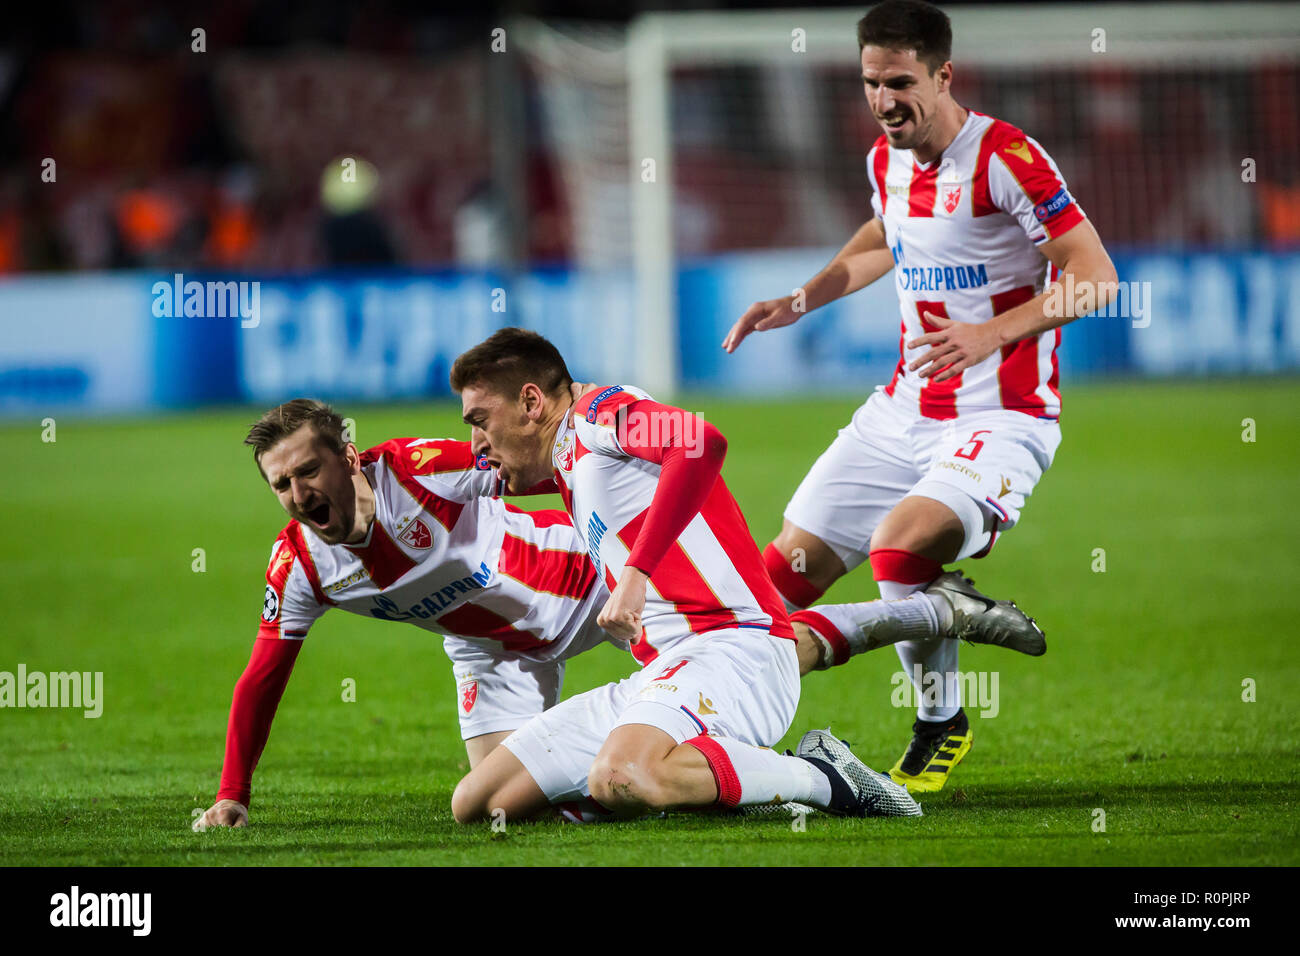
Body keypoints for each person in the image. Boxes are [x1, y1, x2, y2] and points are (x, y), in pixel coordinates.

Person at [722, 0, 1118, 793]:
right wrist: (797, 300)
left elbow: (1097, 279)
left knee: (902, 549)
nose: (882, 100)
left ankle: (941, 720)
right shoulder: (885, 161)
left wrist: (993, 332)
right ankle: (719, 725)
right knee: (775, 586)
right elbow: (880, 239)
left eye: (899, 82)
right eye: (870, 82)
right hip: (901, 411)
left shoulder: (1007, 158)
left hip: (1002, 417)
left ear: (943, 75)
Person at [448, 328, 922, 822]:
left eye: (480, 421)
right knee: (479, 803)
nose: (476, 443)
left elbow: (698, 441)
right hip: (662, 672)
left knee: (621, 774)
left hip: (735, 648)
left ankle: (822, 776)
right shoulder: (566, 455)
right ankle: (690, 782)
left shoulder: (598, 412)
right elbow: (468, 477)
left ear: (531, 402)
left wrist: (635, 572)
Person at [194, 399, 622, 829]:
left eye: (308, 471)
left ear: (348, 459)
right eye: (281, 484)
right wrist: (233, 795)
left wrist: (630, 520)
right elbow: (261, 680)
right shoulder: (299, 565)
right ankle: (622, 775)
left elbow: (543, 467)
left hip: (585, 580)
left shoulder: (416, 471)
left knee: (684, 670)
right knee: (496, 806)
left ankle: (652, 741)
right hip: (490, 651)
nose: (299, 496)